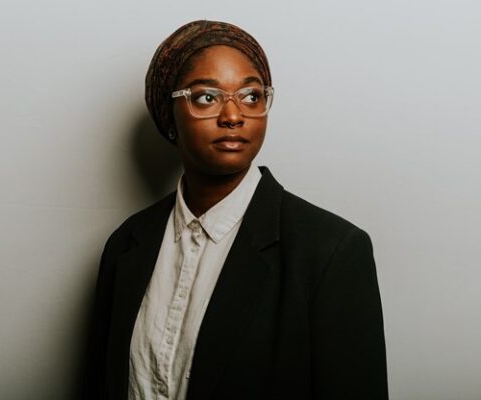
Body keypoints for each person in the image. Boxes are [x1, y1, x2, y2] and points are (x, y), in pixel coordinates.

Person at [83, 20, 388, 400]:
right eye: (206, 97)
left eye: (251, 96)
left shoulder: (332, 251)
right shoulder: (127, 244)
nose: (233, 115)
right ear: (169, 114)